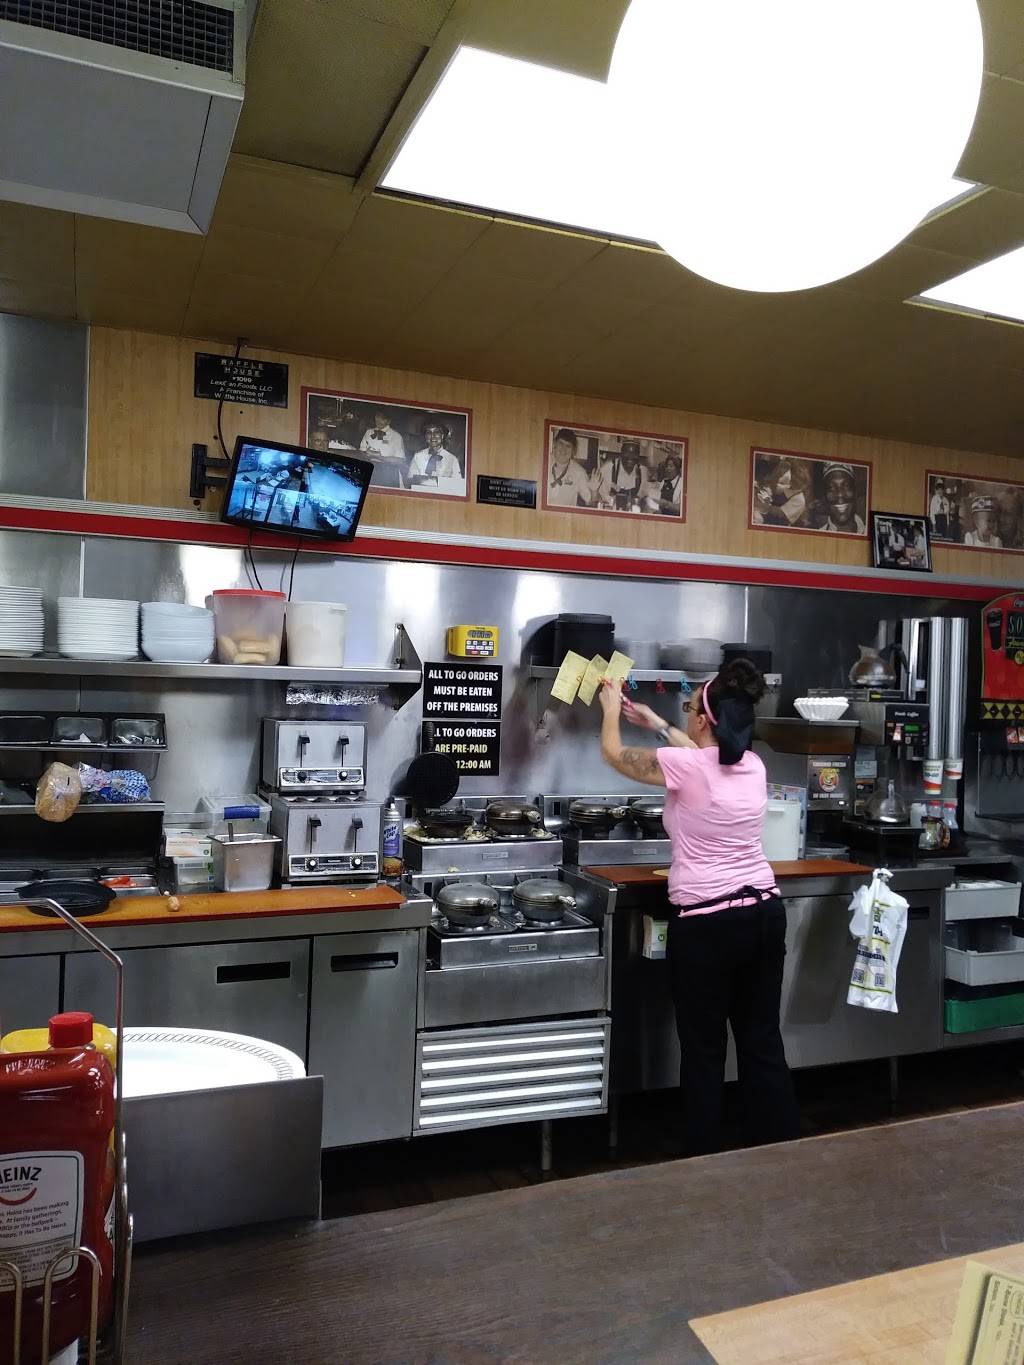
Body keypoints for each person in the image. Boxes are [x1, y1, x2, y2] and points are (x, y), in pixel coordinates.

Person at [597, 661, 800, 1157]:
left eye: (689, 708)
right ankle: (780, 1151)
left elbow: (614, 755)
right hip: (763, 913)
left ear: (705, 719)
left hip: (709, 925)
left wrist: (610, 710)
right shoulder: (753, 766)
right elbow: (703, 754)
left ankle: (703, 1157)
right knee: (761, 1039)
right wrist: (658, 722)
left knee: (704, 1049)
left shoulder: (687, 768)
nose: (686, 714)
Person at [594, 439, 647, 511]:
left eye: (635, 453)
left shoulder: (643, 471)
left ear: (638, 455)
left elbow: (645, 498)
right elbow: (597, 498)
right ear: (621, 452)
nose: (631, 456)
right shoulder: (606, 470)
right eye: (627, 452)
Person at [408, 420, 462, 490]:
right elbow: (411, 481)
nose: (433, 436)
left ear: (442, 436)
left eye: (436, 432)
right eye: (429, 433)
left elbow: (457, 485)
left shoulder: (452, 459)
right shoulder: (418, 456)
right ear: (425, 437)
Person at [546, 427, 593, 508]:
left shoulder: (579, 472)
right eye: (561, 443)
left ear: (573, 450)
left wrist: (594, 491)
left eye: (568, 446)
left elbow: (590, 502)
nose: (563, 449)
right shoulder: (543, 461)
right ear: (554, 444)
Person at [360, 409, 407, 489]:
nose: (379, 420)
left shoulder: (396, 436)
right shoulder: (368, 432)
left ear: (389, 421)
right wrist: (366, 454)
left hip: (388, 473)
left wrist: (380, 457)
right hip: (369, 469)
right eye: (378, 416)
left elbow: (400, 460)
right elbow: (361, 452)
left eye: (383, 418)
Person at [820, 462, 865, 534]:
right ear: (824, 498)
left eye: (846, 486)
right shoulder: (817, 536)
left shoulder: (871, 532)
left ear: (855, 494)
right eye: (831, 488)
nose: (840, 494)